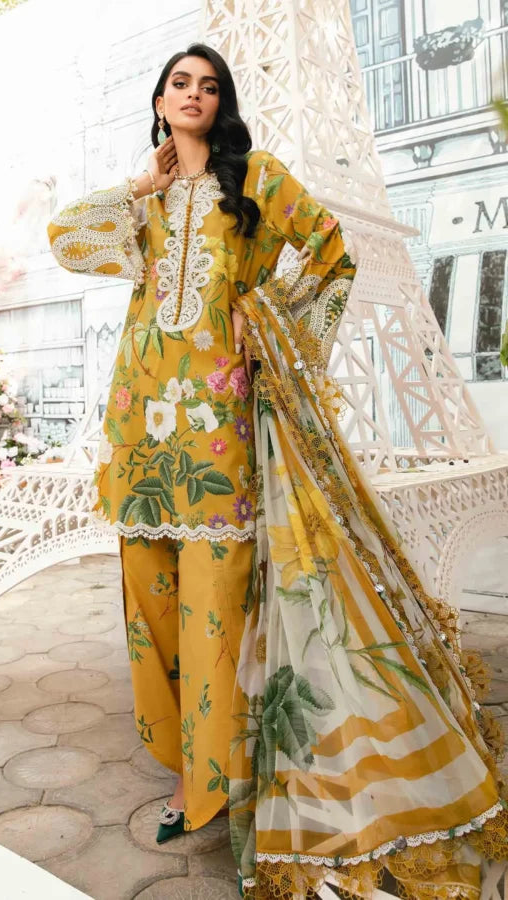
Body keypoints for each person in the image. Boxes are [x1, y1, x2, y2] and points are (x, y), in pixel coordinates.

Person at [48, 42, 507, 900]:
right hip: (142, 439)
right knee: (151, 612)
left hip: (220, 438)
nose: (194, 94)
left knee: (213, 617)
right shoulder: (142, 206)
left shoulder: (253, 178)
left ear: (222, 105)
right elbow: (67, 241)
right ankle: (183, 758)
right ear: (158, 100)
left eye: (208, 85)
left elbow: (331, 254)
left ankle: (208, 786)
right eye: (180, 83)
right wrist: (140, 187)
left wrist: (279, 341)